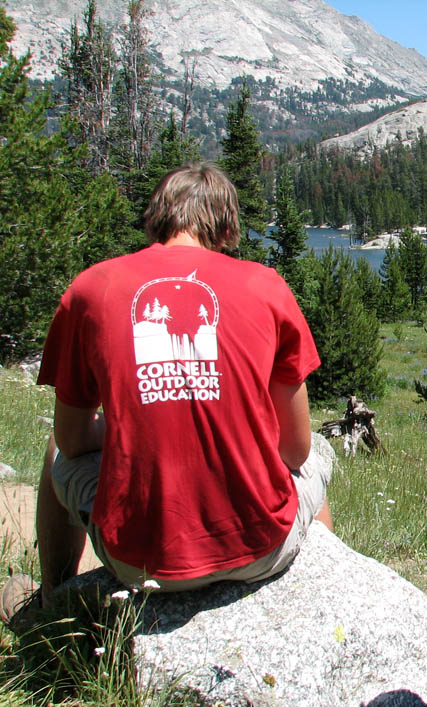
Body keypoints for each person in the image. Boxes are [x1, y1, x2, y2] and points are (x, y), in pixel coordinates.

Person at [1, 163, 334, 629]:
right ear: (225, 224)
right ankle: (320, 608)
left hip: (137, 562)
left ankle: (53, 602)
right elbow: (293, 448)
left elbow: (72, 440)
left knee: (55, 448)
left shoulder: (91, 289)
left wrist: (125, 427)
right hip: (259, 549)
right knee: (318, 450)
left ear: (159, 215)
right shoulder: (266, 286)